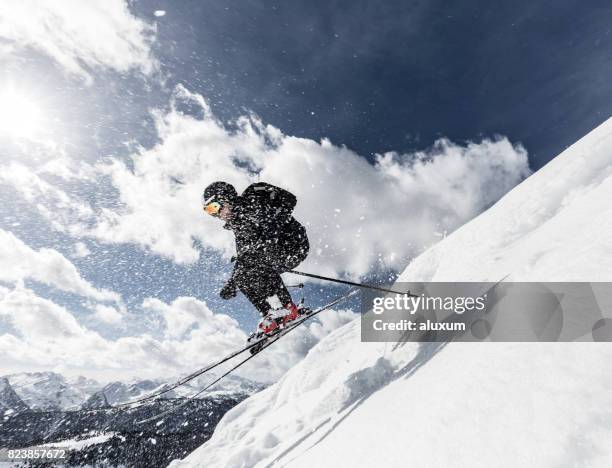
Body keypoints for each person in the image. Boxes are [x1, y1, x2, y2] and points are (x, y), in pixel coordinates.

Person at [202, 181, 310, 338]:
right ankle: (271, 315)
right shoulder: (238, 227)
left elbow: (289, 200)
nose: (216, 214)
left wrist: (271, 232)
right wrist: (232, 283)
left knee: (259, 258)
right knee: (243, 275)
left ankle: (288, 308)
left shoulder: (255, 194)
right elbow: (243, 257)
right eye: (210, 211)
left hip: (292, 243)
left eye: (215, 207)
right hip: (271, 254)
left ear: (226, 198)